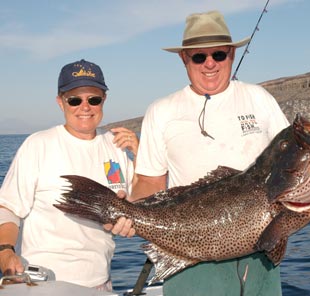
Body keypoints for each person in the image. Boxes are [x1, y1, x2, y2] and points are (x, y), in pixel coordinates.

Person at [129, 11, 290, 296]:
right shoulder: (162, 110)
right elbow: (150, 183)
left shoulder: (259, 99)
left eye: (218, 54)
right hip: (192, 255)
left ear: (231, 53)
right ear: (184, 58)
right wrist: (127, 211)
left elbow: (290, 163)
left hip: (260, 253)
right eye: (198, 57)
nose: (210, 64)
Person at [0, 59, 137, 291]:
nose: (85, 107)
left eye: (93, 99)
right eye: (74, 100)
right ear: (60, 103)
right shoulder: (38, 145)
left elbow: (141, 206)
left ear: (104, 100)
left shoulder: (116, 147)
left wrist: (141, 156)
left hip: (100, 283)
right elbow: (9, 207)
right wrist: (5, 251)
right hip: (42, 284)